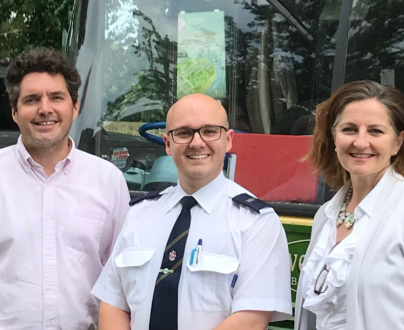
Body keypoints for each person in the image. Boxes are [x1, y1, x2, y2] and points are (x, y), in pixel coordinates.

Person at [0, 48, 131, 330]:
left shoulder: (108, 181)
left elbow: (120, 281)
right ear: (15, 111)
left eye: (56, 97)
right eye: (31, 100)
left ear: (75, 107)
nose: (45, 109)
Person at [93, 93, 292, 330]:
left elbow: (250, 319)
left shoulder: (257, 223)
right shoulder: (139, 214)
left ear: (228, 140)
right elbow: (113, 303)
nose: (197, 143)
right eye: (184, 133)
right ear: (168, 144)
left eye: (209, 131)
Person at [294, 80, 404, 330]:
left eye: (375, 131)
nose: (360, 142)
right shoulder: (327, 214)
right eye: (349, 129)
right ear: (333, 137)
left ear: (398, 142)